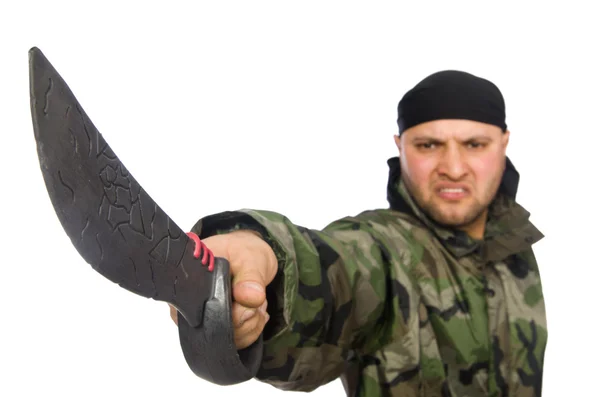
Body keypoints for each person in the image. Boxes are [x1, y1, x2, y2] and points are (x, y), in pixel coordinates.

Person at [169, 70, 547, 396]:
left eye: (474, 145)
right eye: (428, 145)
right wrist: (260, 254)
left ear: (504, 143)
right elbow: (335, 269)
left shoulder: (515, 250)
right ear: (400, 148)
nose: (453, 167)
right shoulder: (385, 250)